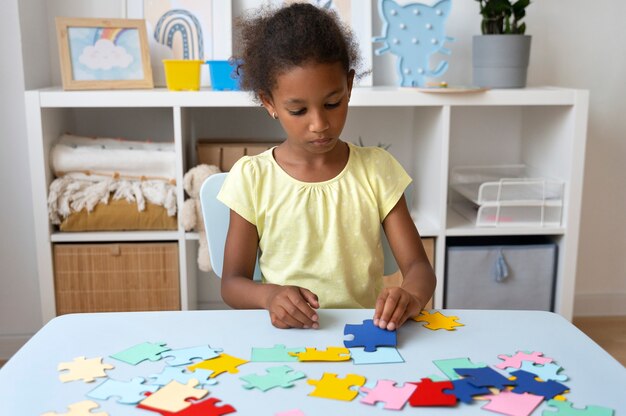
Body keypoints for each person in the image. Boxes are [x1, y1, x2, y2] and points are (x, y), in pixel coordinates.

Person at [218, 3, 436, 331]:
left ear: (349, 86)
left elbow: (419, 268)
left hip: (366, 331)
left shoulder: (377, 170)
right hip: (288, 337)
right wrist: (270, 296)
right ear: (269, 102)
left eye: (332, 104)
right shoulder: (253, 178)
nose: (319, 124)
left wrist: (411, 296)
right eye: (298, 110)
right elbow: (232, 283)